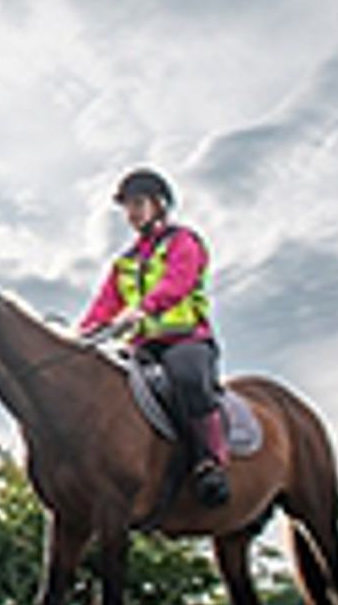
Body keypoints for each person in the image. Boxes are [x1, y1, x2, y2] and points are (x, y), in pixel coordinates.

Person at [78, 167, 230, 507]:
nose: (132, 213)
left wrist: (145, 308)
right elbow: (104, 305)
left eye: (138, 204)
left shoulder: (183, 242)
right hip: (142, 347)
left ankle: (210, 463)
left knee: (188, 379)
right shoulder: (125, 263)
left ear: (159, 205)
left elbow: (178, 282)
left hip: (185, 340)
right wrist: (83, 335)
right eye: (128, 207)